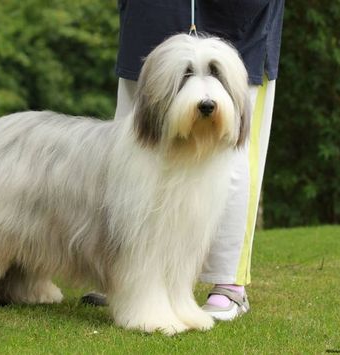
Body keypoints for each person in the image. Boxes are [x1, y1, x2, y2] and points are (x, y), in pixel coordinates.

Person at [82, 0, 285, 321]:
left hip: (238, 16)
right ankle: (131, 279)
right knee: (136, 141)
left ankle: (226, 282)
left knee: (230, 152)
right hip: (153, 10)